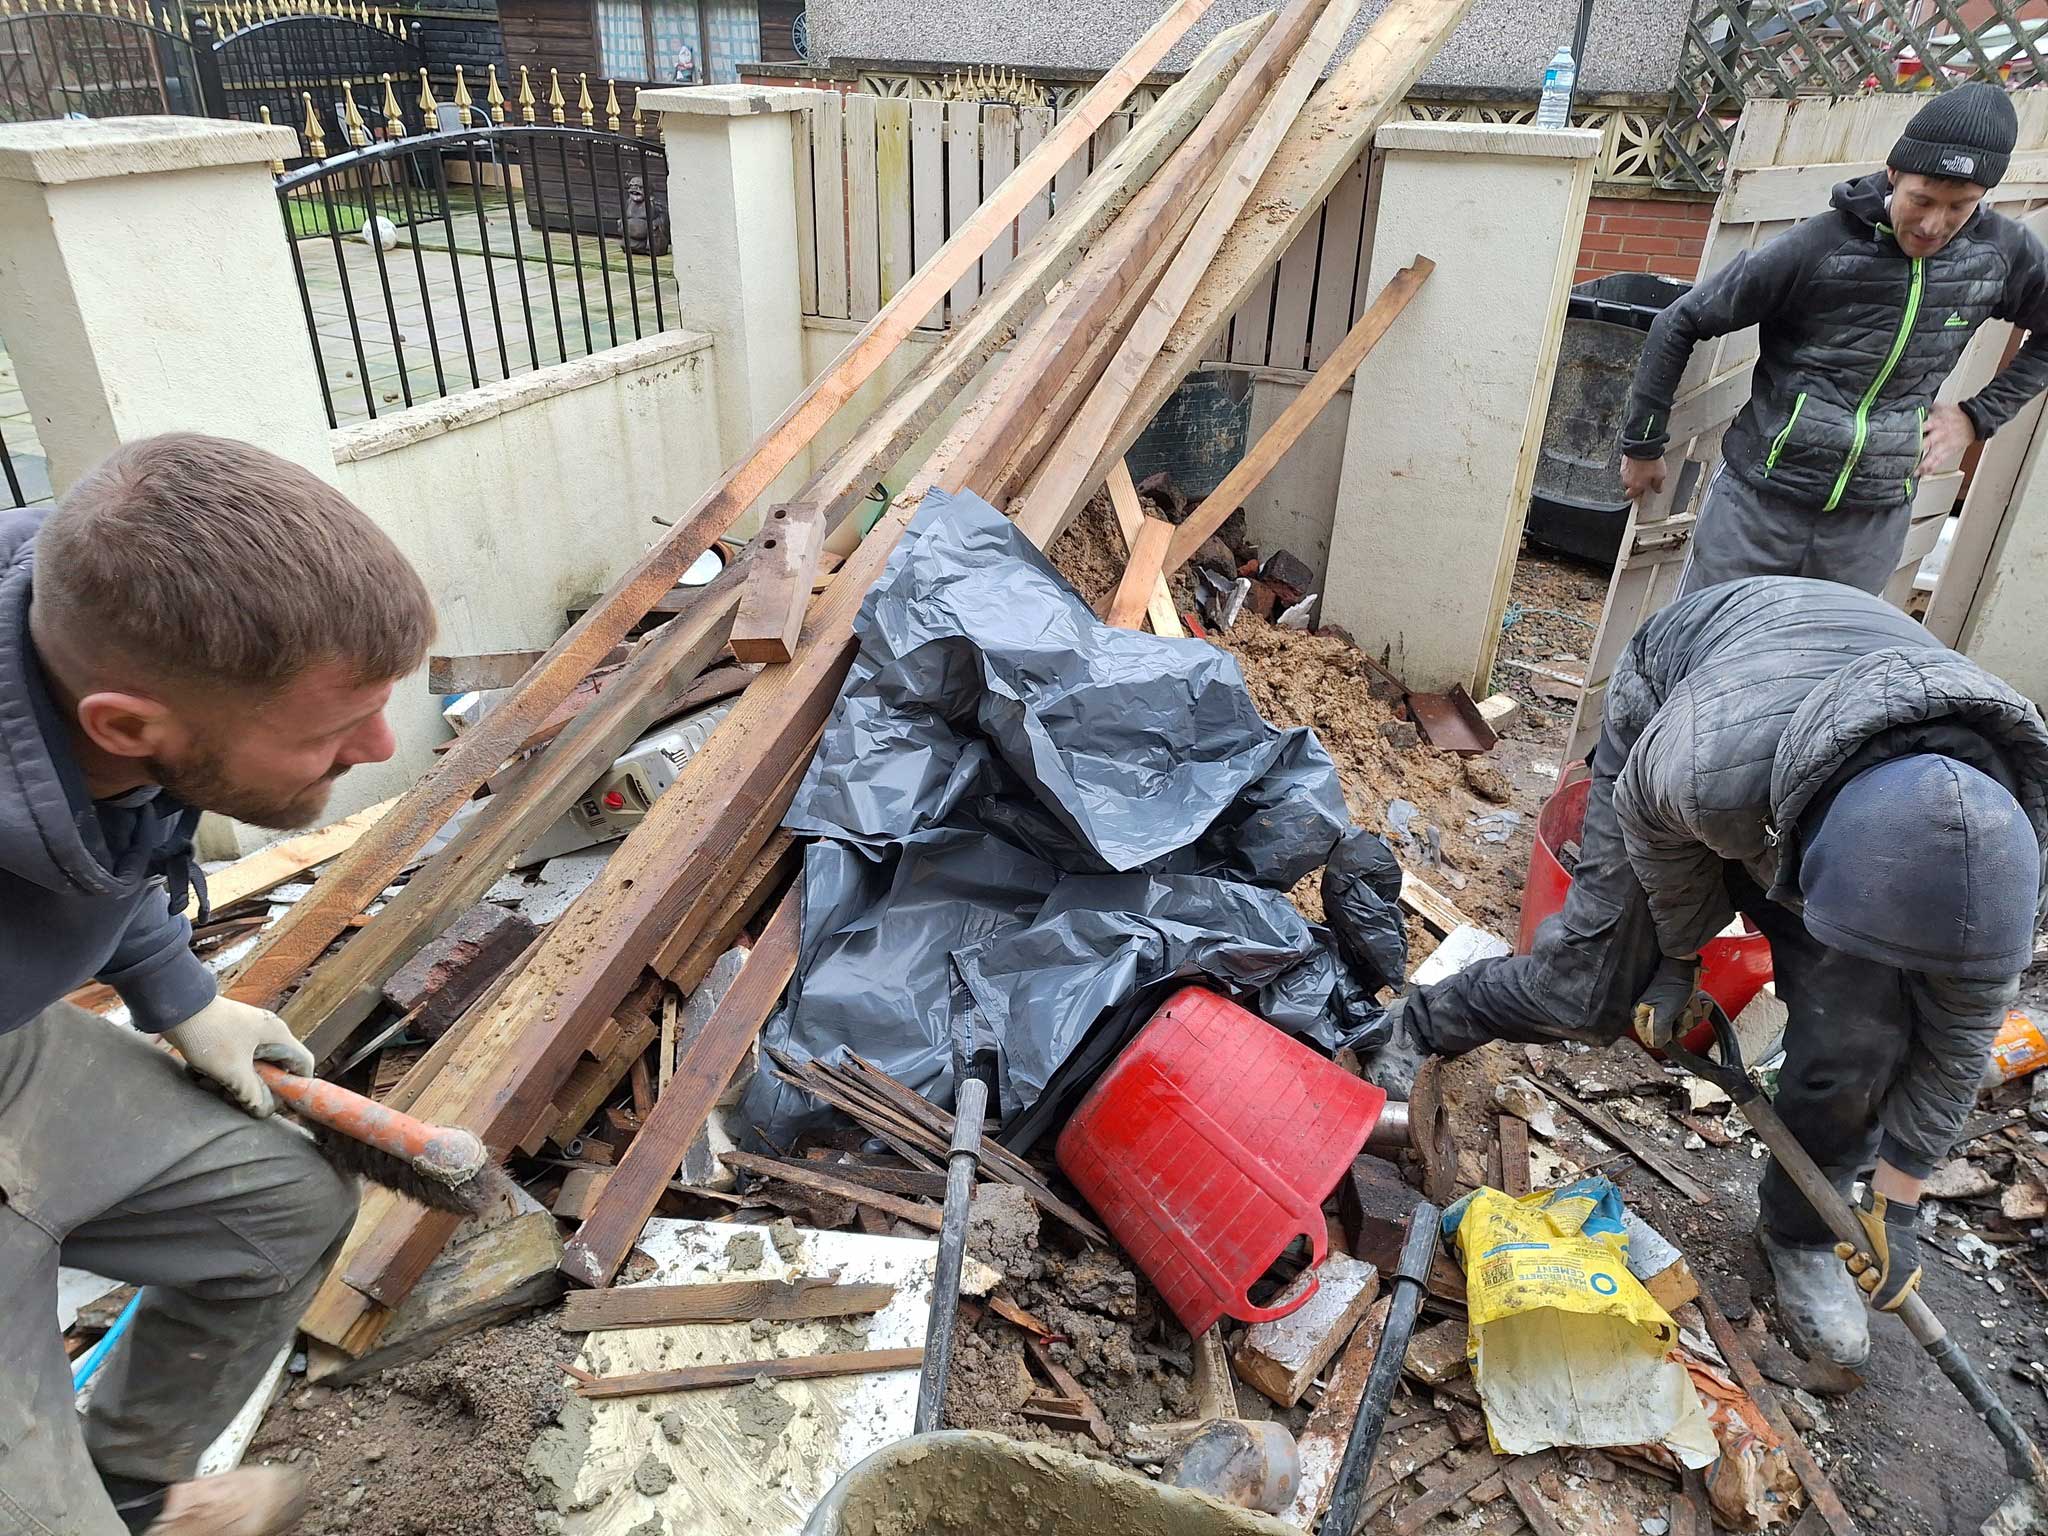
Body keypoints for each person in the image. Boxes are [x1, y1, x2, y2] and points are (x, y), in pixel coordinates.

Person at [1373, 576, 2048, 1369]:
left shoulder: (2006, 869)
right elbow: (1658, 833)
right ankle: (1416, 1023)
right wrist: (1678, 957)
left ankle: (1799, 1231)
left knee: (1861, 1036)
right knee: (1587, 993)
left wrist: (1896, 1202)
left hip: (1830, 745)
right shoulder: (1707, 764)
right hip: (1690, 688)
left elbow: (1958, 1042)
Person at [0, 434, 435, 1534]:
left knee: (279, 1207)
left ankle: (133, 1489)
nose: (382, 747)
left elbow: (98, 831)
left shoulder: (84, 639)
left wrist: (178, 995)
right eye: (338, 730)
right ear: (127, 724)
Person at [1619, 83, 2048, 596]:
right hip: (1760, 503)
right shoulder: (1821, 245)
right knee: (1703, 647)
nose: (1934, 225)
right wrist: (1643, 443)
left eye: (1959, 207)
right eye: (1921, 200)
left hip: (1872, 520)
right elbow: (1679, 322)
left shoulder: (2000, 254)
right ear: (1894, 174)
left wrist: (1977, 418)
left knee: (1829, 663)